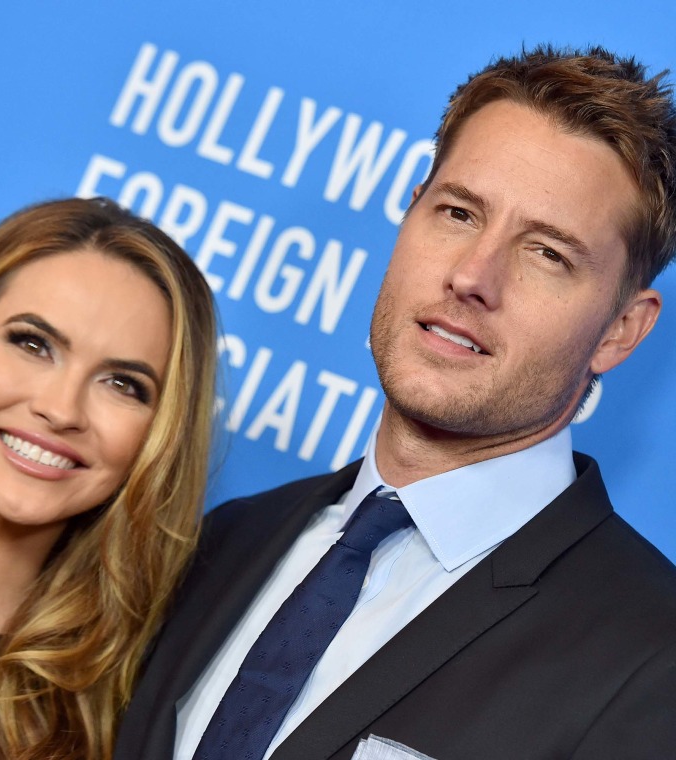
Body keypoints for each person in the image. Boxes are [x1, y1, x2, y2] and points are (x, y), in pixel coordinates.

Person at [114, 45, 676, 760]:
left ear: (622, 330)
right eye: (458, 213)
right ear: (411, 214)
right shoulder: (224, 545)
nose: (473, 275)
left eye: (547, 254)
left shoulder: (653, 662)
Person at [0, 197, 217, 760]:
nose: (61, 409)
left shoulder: (121, 714)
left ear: (159, 433)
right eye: (34, 344)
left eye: (123, 384)